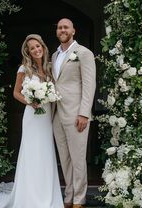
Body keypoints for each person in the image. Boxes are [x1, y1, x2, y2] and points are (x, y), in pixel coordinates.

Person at [0, 34, 64, 208]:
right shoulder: (24, 69)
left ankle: (47, 194)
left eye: (38, 46)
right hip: (32, 116)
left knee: (46, 153)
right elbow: (16, 93)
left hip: (46, 115)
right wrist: (30, 102)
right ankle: (30, 196)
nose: (36, 50)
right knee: (32, 154)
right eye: (32, 48)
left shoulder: (49, 68)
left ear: (43, 47)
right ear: (28, 52)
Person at [52, 18, 96, 208]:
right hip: (56, 115)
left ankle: (79, 199)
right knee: (65, 159)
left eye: (66, 27)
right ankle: (68, 197)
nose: (62, 30)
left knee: (78, 159)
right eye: (60, 28)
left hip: (76, 113)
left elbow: (89, 84)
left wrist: (84, 113)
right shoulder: (54, 56)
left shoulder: (83, 53)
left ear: (73, 31)